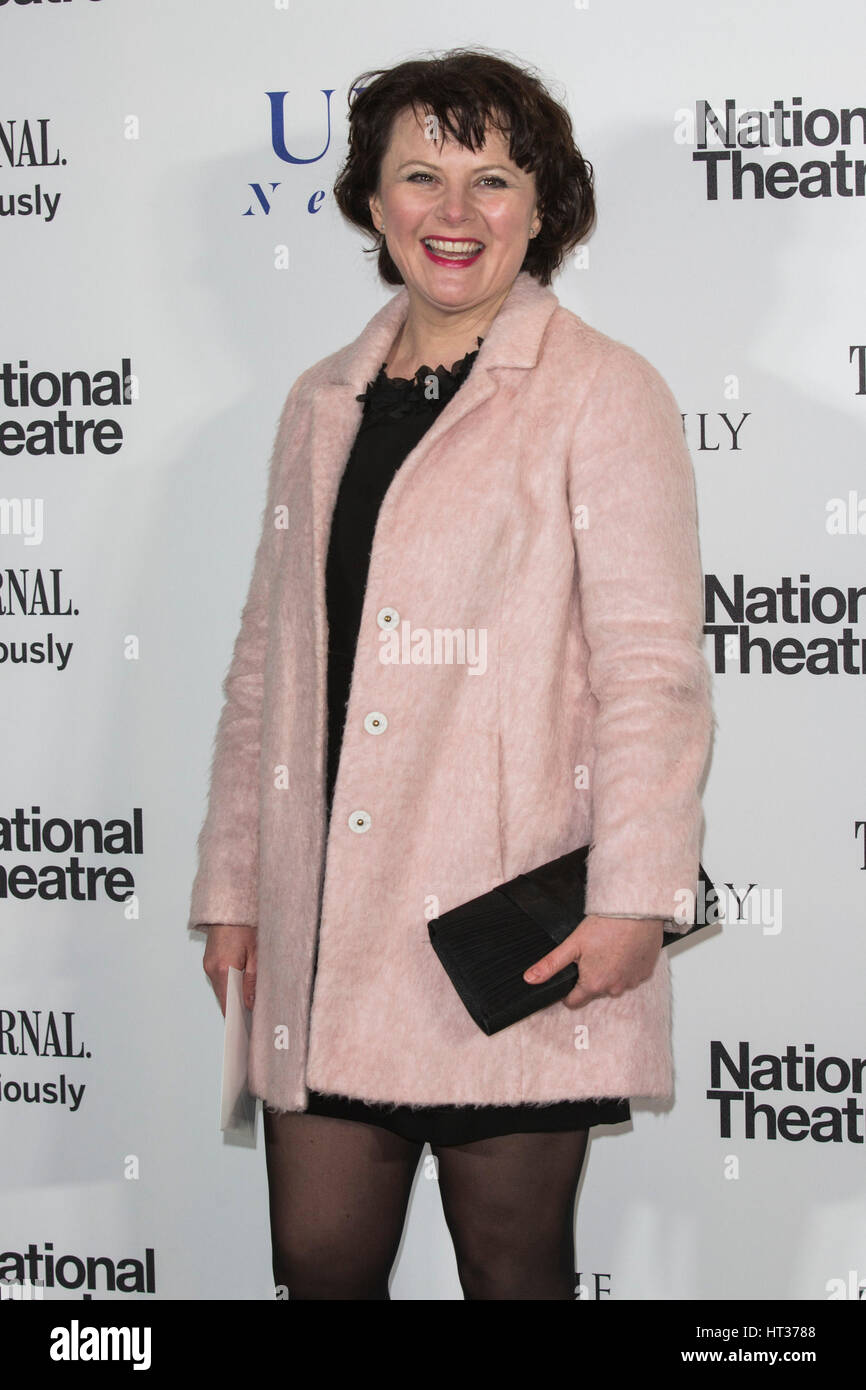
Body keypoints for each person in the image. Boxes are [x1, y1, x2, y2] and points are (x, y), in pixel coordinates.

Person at [190, 47, 714, 1301]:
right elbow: (266, 661)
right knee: (315, 1265)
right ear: (372, 202)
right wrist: (232, 876)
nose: (453, 212)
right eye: (419, 175)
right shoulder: (322, 401)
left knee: (512, 1270)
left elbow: (650, 665)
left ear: (545, 208)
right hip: (322, 924)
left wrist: (636, 891)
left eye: (491, 179)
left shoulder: (603, 391)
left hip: (513, 930)